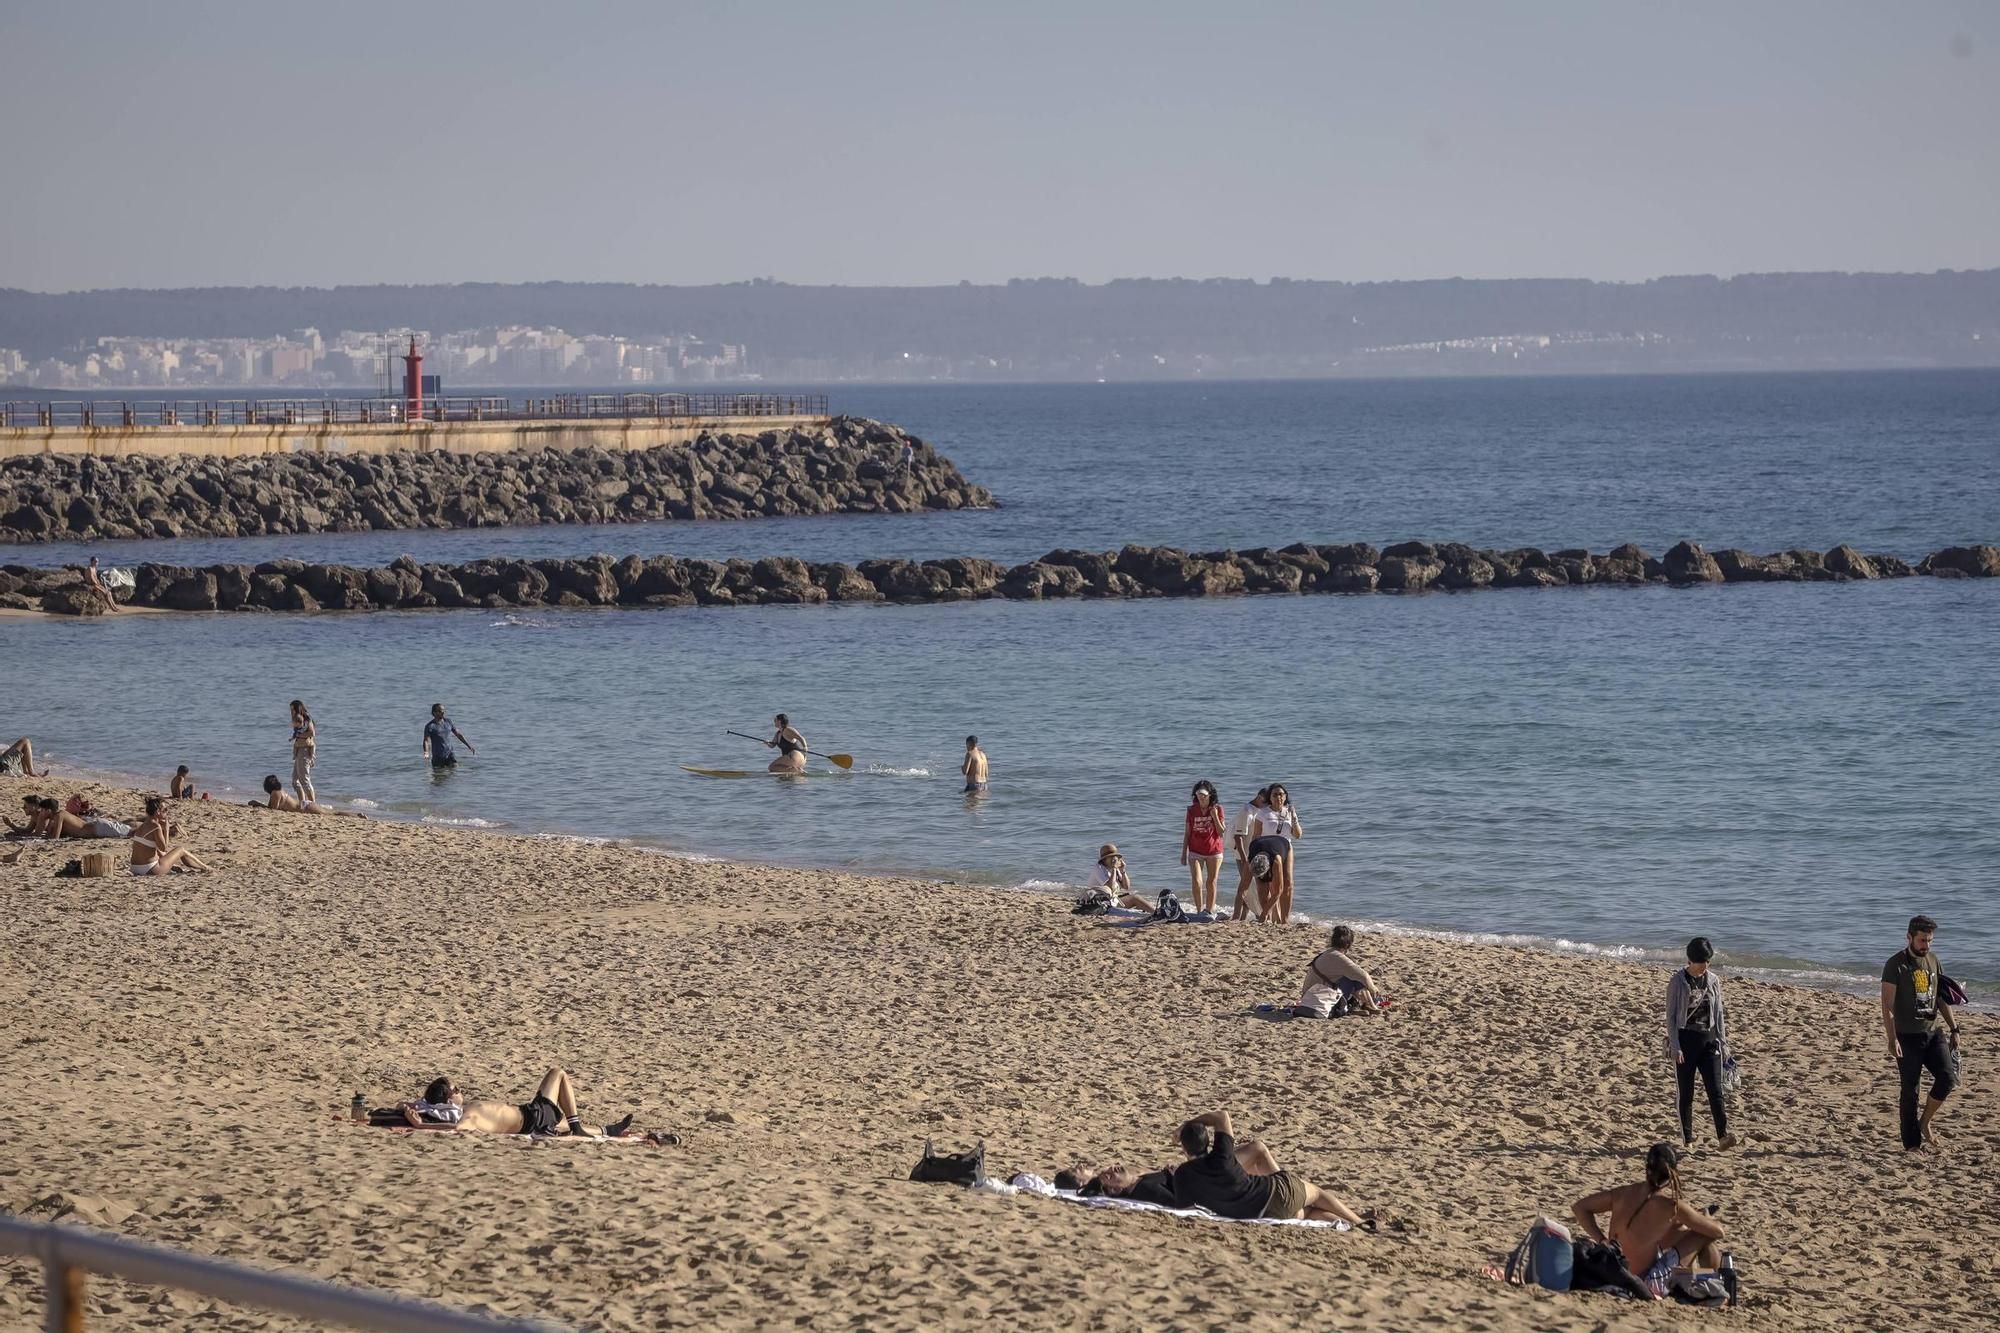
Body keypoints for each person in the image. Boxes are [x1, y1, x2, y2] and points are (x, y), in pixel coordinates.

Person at [1570, 1143, 1726, 1299]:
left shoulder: (1622, 1193)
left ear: (1647, 1168)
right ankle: (1715, 1287)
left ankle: (1697, 1283)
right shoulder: (1670, 1204)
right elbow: (1718, 1232)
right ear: (1673, 1173)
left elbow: (1580, 1207)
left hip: (1615, 1273)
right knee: (1703, 1235)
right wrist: (1706, 1218)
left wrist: (1601, 1239)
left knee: (1680, 1232)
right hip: (1645, 1283)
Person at [1172, 1111, 1365, 1225]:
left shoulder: (1182, 1175)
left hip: (1263, 1213)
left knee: (1309, 1214)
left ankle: (1348, 1225)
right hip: (1276, 1193)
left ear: (1184, 1147)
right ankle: (1360, 1224)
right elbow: (1222, 1116)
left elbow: (1183, 1204)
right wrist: (1187, 1124)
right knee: (1318, 1195)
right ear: (1208, 1142)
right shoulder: (1223, 1156)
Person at [1882, 914, 1960, 1151]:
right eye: (1922, 941)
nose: (1926, 946)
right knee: (1910, 1091)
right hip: (1907, 1036)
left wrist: (1954, 1028)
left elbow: (1941, 998)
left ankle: (1925, 1122)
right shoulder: (1895, 964)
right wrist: (1892, 1038)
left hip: (1933, 1032)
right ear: (1909, 938)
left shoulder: (1934, 960)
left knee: (1948, 1079)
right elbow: (1887, 1005)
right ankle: (1912, 1145)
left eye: (1930, 941)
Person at [396, 1067, 634, 1138]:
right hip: (533, 1115)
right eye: (457, 1089)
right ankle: (577, 1126)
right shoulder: (468, 1115)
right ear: (448, 1097)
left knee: (560, 1127)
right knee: (557, 1073)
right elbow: (459, 1129)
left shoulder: (460, 1109)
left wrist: (409, 1108)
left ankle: (607, 1130)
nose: (461, 1091)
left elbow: (418, 1104)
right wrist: (420, 1126)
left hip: (532, 1119)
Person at [1666, 937, 1737, 1150]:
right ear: (1690, 960)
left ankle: (1722, 1136)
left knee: (1716, 1091)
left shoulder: (1713, 980)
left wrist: (1723, 1043)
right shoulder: (1677, 982)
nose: (1705, 966)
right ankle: (1687, 1139)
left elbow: (1720, 1013)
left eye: (1708, 961)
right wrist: (1676, 1046)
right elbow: (1670, 1018)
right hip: (1686, 1042)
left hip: (1709, 1042)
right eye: (1701, 962)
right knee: (1686, 1093)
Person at [1297, 925, 1385, 1018]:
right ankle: (1370, 1005)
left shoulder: (1328, 954)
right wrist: (1374, 989)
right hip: (1319, 1000)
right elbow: (1363, 976)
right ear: (1348, 944)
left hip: (1309, 997)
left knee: (1352, 977)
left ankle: (1368, 1005)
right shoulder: (1338, 957)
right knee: (1354, 979)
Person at [1248, 783, 1304, 923]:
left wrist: (1294, 817)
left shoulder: (1289, 811)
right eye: (1275, 794)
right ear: (1270, 797)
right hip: (1267, 849)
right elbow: (1256, 835)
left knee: (1288, 883)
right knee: (1269, 884)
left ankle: (1284, 920)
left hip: (1285, 847)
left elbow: (1297, 835)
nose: (1278, 797)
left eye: (1281, 794)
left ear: (1285, 797)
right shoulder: (1263, 813)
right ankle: (1272, 916)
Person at [129, 795, 213, 876]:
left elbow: (157, 850)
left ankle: (199, 867)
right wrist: (166, 829)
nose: (167, 812)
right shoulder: (155, 826)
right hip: (150, 869)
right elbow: (164, 847)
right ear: (158, 812)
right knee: (181, 850)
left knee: (162, 853)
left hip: (134, 868)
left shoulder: (144, 825)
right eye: (165, 810)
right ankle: (205, 867)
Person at [1180, 780, 1226, 914]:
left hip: (1214, 850)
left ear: (1210, 795)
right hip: (1195, 850)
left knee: (1211, 881)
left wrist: (1215, 817)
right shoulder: (1191, 810)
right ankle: (1199, 910)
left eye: (1204, 795)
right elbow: (1187, 833)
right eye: (1199, 794)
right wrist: (1184, 853)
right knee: (1197, 881)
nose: (1201, 797)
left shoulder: (1218, 808)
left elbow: (1222, 832)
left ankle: (1209, 910)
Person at [1229, 788, 1269, 921]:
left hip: (1253, 854)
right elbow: (1238, 837)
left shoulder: (1259, 811)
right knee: (1247, 887)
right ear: (1259, 797)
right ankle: (1238, 917)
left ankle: (1242, 917)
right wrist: (1244, 858)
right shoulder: (1247, 811)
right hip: (1243, 855)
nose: (1267, 805)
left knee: (1249, 886)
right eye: (1265, 801)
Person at [259, 774, 363, 816]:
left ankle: (356, 816)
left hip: (305, 808)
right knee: (332, 813)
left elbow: (273, 810)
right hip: (305, 805)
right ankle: (356, 815)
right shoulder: (278, 791)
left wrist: (257, 804)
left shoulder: (275, 793)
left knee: (333, 814)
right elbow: (270, 808)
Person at [1090, 844, 1152, 911]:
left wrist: (1123, 870)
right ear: (1104, 859)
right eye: (1111, 857)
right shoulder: (1099, 868)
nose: (1114, 859)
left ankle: (1154, 913)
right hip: (1100, 904)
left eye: (1115, 856)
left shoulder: (1114, 869)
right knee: (1135, 898)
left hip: (1111, 900)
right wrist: (1114, 868)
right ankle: (1155, 913)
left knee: (1140, 904)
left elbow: (1126, 887)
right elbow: (1110, 888)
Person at [422, 704, 476, 768]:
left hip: (450, 753)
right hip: (438, 757)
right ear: (434, 712)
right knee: (439, 776)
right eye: (440, 711)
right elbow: (426, 741)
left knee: (454, 770)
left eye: (443, 710)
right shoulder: (430, 726)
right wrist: (426, 752)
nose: (443, 712)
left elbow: (458, 734)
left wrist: (469, 745)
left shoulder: (448, 721)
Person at [288, 700, 317, 803]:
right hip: (299, 749)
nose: (291, 712)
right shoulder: (297, 719)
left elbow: (312, 733)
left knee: (304, 779)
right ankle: (303, 803)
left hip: (305, 750)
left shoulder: (306, 719)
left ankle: (312, 804)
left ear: (298, 709)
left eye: (292, 709)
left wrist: (298, 736)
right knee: (295, 780)